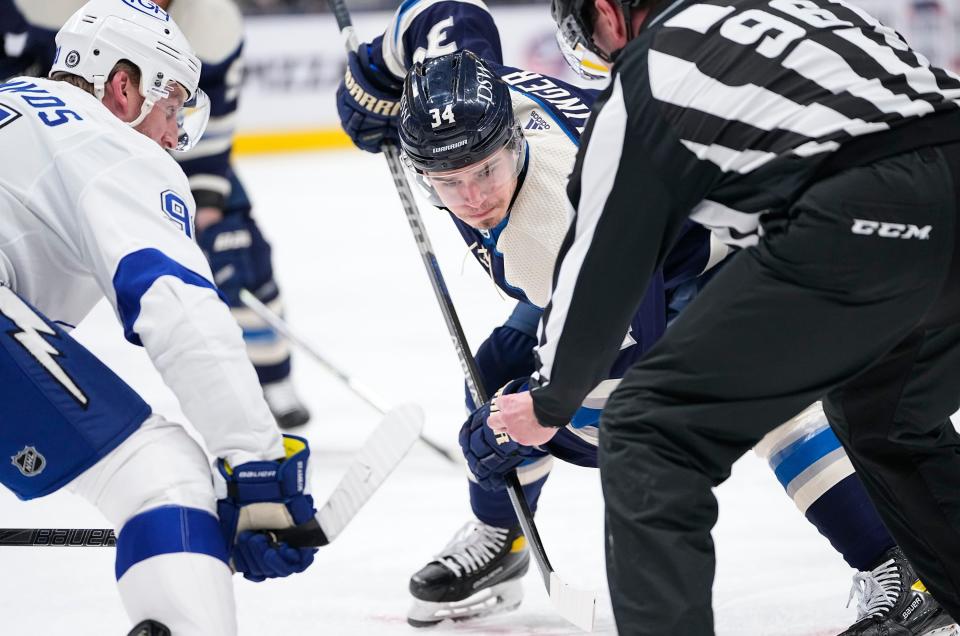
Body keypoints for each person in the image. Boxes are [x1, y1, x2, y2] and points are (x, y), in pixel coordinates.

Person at [337, 2, 956, 634]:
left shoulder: (547, 225)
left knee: (754, 403)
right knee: (495, 374)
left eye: (486, 171)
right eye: (447, 180)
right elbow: (444, 14)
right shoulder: (483, 87)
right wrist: (375, 77)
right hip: (649, 239)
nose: (473, 198)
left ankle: (894, 559)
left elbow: (629, 359)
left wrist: (530, 418)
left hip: (703, 257)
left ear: (513, 137)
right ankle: (504, 537)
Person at [0, 1, 316, 634]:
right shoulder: (108, 142)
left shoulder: (15, 100)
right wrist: (253, 462)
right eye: (172, 108)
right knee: (162, 476)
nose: (175, 137)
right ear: (124, 86)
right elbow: (178, 308)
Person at [0, 0, 312, 428]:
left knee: (238, 248)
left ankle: (274, 381)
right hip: (54, 139)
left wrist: (210, 214)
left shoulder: (214, 25)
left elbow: (203, 137)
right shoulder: (40, 7)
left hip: (150, 132)